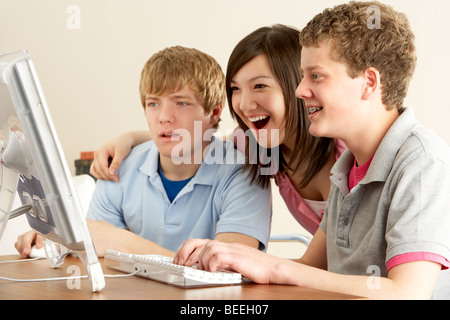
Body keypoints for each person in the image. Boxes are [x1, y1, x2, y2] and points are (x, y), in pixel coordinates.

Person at [175, 1, 450, 300]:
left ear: (368, 82)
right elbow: (312, 269)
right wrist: (239, 262)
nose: (299, 90)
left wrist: (273, 267)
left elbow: (408, 293)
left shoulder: (422, 163)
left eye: (316, 76)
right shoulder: (346, 167)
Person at [15, 46, 272, 258]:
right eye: (153, 103)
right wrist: (62, 242)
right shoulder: (119, 167)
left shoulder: (244, 171)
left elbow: (229, 266)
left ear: (214, 112)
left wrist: (117, 240)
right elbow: (95, 256)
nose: (164, 118)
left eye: (181, 103)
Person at [89, 24, 346, 236]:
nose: (244, 104)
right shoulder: (253, 144)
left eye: (259, 86)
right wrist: (130, 138)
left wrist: (118, 242)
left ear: (297, 86)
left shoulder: (347, 150)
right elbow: (199, 139)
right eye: (235, 89)